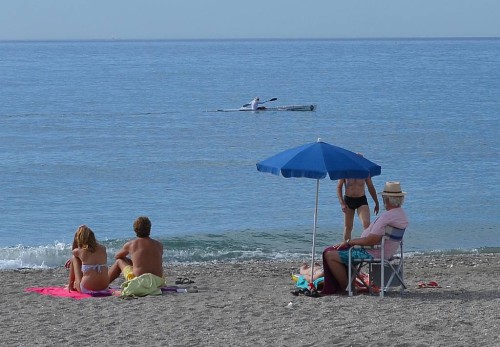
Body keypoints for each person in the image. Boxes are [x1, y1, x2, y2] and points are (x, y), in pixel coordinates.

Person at [321, 181, 408, 295]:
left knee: (329, 254)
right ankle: (348, 284)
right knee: (337, 250)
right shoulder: (401, 215)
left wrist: (349, 242)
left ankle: (347, 287)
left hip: (372, 252)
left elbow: (371, 241)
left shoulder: (387, 217)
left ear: (386, 200)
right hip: (384, 252)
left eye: (383, 198)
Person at [108, 216, 164, 284]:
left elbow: (117, 256)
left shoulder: (132, 244)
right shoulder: (159, 244)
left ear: (135, 229)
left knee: (119, 261)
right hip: (157, 281)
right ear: (149, 229)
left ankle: (104, 284)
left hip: (139, 282)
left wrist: (130, 261)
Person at [337, 155, 380, 241]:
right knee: (348, 227)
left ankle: (366, 247)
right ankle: (346, 248)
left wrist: (376, 202)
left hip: (361, 200)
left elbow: (370, 187)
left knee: (366, 224)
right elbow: (339, 187)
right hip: (348, 200)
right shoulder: (345, 171)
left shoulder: (365, 172)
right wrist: (342, 203)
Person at [66, 225, 109, 293]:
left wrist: (75, 238)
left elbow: (73, 251)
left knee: (74, 258)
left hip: (86, 289)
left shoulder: (80, 251)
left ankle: (70, 286)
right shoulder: (103, 248)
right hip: (104, 287)